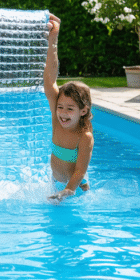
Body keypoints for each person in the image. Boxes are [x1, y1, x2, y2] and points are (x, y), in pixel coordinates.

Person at [43, 14, 94, 201]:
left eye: (70, 109)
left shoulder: (84, 137)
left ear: (83, 111)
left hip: (76, 187)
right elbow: (49, 82)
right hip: (56, 183)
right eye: (61, 107)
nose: (63, 113)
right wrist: (53, 39)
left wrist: (66, 192)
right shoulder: (57, 119)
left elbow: (80, 170)